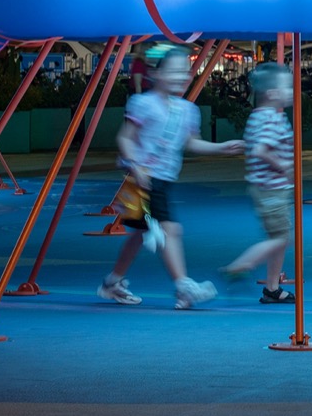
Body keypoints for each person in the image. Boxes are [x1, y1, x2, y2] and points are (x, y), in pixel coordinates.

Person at [98, 43, 243, 309]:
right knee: (170, 230)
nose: (180, 77)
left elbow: (191, 143)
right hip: (141, 180)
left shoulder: (187, 110)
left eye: (185, 72)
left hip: (163, 180)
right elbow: (125, 138)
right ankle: (183, 286)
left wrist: (222, 147)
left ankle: (112, 282)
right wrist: (136, 165)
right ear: (157, 74)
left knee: (139, 234)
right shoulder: (142, 104)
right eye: (174, 71)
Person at [219, 62, 297, 304]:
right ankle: (242, 265)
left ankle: (272, 287)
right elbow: (262, 150)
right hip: (272, 189)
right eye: (288, 88)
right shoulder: (271, 120)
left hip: (265, 188)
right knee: (280, 238)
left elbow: (254, 145)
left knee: (279, 237)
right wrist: (282, 165)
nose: (292, 93)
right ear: (272, 94)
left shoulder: (257, 116)